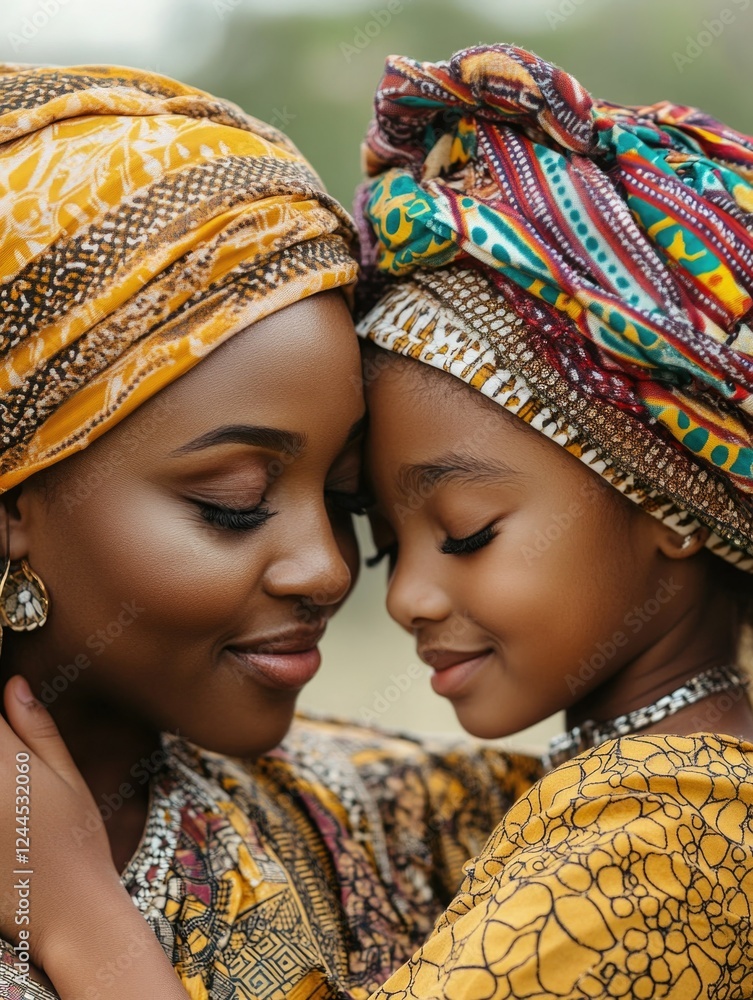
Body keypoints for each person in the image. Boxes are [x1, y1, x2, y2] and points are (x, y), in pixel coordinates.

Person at [0, 64, 542, 1000]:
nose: (327, 569)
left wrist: (83, 922)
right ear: (14, 509)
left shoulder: (418, 824)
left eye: (342, 499)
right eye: (235, 501)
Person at [354, 44, 753, 998]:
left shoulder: (675, 842)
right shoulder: (621, 789)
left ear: (670, 496)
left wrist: (74, 913)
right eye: (381, 542)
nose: (406, 597)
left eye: (465, 533)